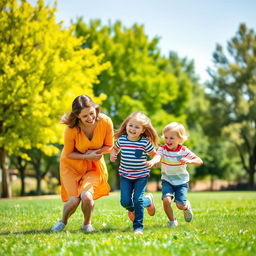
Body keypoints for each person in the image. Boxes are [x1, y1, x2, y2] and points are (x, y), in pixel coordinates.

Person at [51, 95, 114, 233]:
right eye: (85, 116)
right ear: (77, 116)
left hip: (93, 166)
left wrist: (94, 154)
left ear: (95, 108)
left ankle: (87, 224)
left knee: (87, 196)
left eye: (92, 113)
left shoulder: (105, 121)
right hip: (71, 166)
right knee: (74, 200)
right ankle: (63, 221)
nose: (90, 118)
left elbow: (110, 146)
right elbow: (68, 154)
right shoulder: (71, 129)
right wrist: (87, 156)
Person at [146, 122, 203, 228]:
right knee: (166, 200)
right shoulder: (162, 149)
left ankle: (186, 206)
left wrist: (188, 161)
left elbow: (199, 161)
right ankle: (172, 221)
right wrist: (154, 161)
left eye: (171, 138)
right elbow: (158, 156)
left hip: (181, 182)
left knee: (180, 205)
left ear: (180, 139)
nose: (168, 141)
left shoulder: (183, 151)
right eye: (166, 137)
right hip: (167, 180)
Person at [110, 111, 158, 235]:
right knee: (125, 202)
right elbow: (114, 149)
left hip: (141, 176)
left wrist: (152, 161)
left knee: (137, 199)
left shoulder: (144, 142)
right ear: (126, 125)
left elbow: (156, 155)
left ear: (142, 130)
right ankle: (147, 201)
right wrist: (113, 155)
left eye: (137, 127)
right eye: (131, 125)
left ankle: (138, 227)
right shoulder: (122, 140)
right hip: (125, 175)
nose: (133, 129)